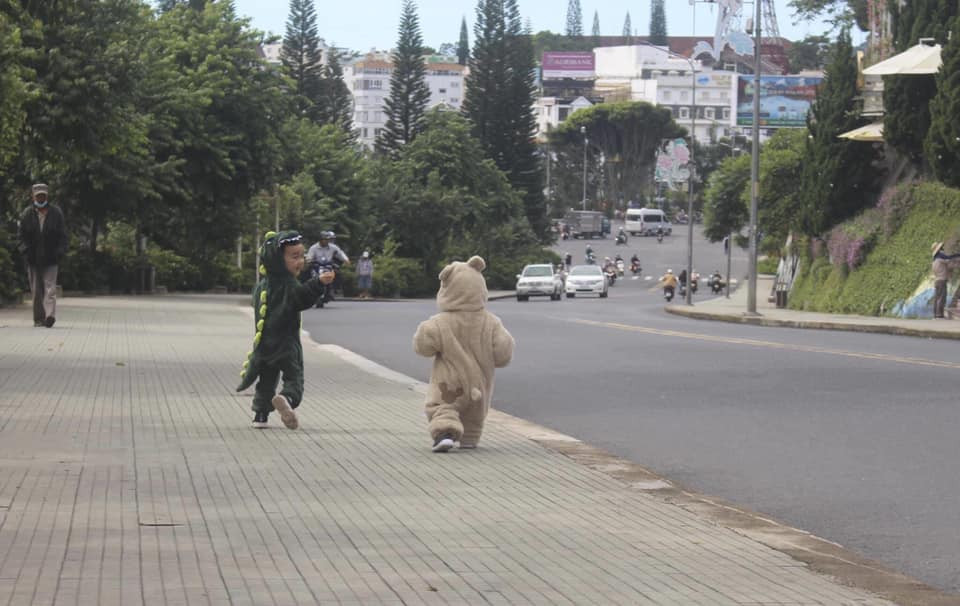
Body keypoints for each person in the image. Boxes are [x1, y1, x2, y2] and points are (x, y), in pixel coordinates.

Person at [414, 256, 514, 452]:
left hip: (449, 384)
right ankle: (470, 439)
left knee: (443, 409)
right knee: (474, 418)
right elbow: (504, 352)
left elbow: (423, 347)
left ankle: (444, 433)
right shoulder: (492, 323)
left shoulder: (440, 322)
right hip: (480, 387)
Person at [237, 231, 335, 429]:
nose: (301, 261)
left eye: (302, 256)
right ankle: (287, 398)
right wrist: (318, 283)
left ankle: (260, 415)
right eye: (294, 256)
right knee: (294, 377)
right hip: (287, 343)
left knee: (266, 380)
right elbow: (301, 298)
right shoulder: (288, 285)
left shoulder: (261, 286)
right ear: (278, 261)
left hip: (265, 344)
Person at [17, 183, 67, 328]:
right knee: (36, 291)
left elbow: (63, 235)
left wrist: (60, 251)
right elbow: (20, 237)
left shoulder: (56, 213)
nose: (41, 197)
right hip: (33, 259)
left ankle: (50, 316)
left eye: (43, 195)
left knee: (50, 289)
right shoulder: (27, 213)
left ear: (47, 196)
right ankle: (39, 319)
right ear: (33, 196)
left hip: (51, 258)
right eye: (38, 195)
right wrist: (25, 250)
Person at [307, 231, 350, 303]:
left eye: (327, 239)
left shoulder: (333, 247)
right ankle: (308, 291)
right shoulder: (313, 248)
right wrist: (309, 261)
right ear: (320, 239)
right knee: (306, 274)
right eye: (325, 239)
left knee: (338, 274)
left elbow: (340, 253)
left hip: (328, 266)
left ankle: (334, 290)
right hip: (316, 266)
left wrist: (346, 260)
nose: (327, 241)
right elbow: (309, 257)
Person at [931, 242, 960, 318]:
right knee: (942, 298)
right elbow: (949, 259)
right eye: (942, 248)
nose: (943, 249)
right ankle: (939, 315)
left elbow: (947, 264)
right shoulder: (941, 257)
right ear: (939, 250)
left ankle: (936, 315)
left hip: (937, 281)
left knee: (937, 298)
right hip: (942, 281)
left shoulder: (934, 261)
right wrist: (957, 255)